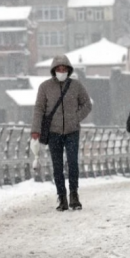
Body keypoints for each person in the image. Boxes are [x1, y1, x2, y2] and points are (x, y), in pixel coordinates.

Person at [31, 55, 92, 211]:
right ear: (53, 70)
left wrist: (76, 117)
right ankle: (62, 197)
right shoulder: (45, 87)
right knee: (57, 165)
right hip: (53, 132)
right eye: (59, 69)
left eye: (64, 69)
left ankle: (74, 195)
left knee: (73, 163)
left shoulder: (76, 86)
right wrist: (35, 130)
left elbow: (87, 104)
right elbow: (39, 109)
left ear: (69, 70)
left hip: (72, 131)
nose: (61, 71)